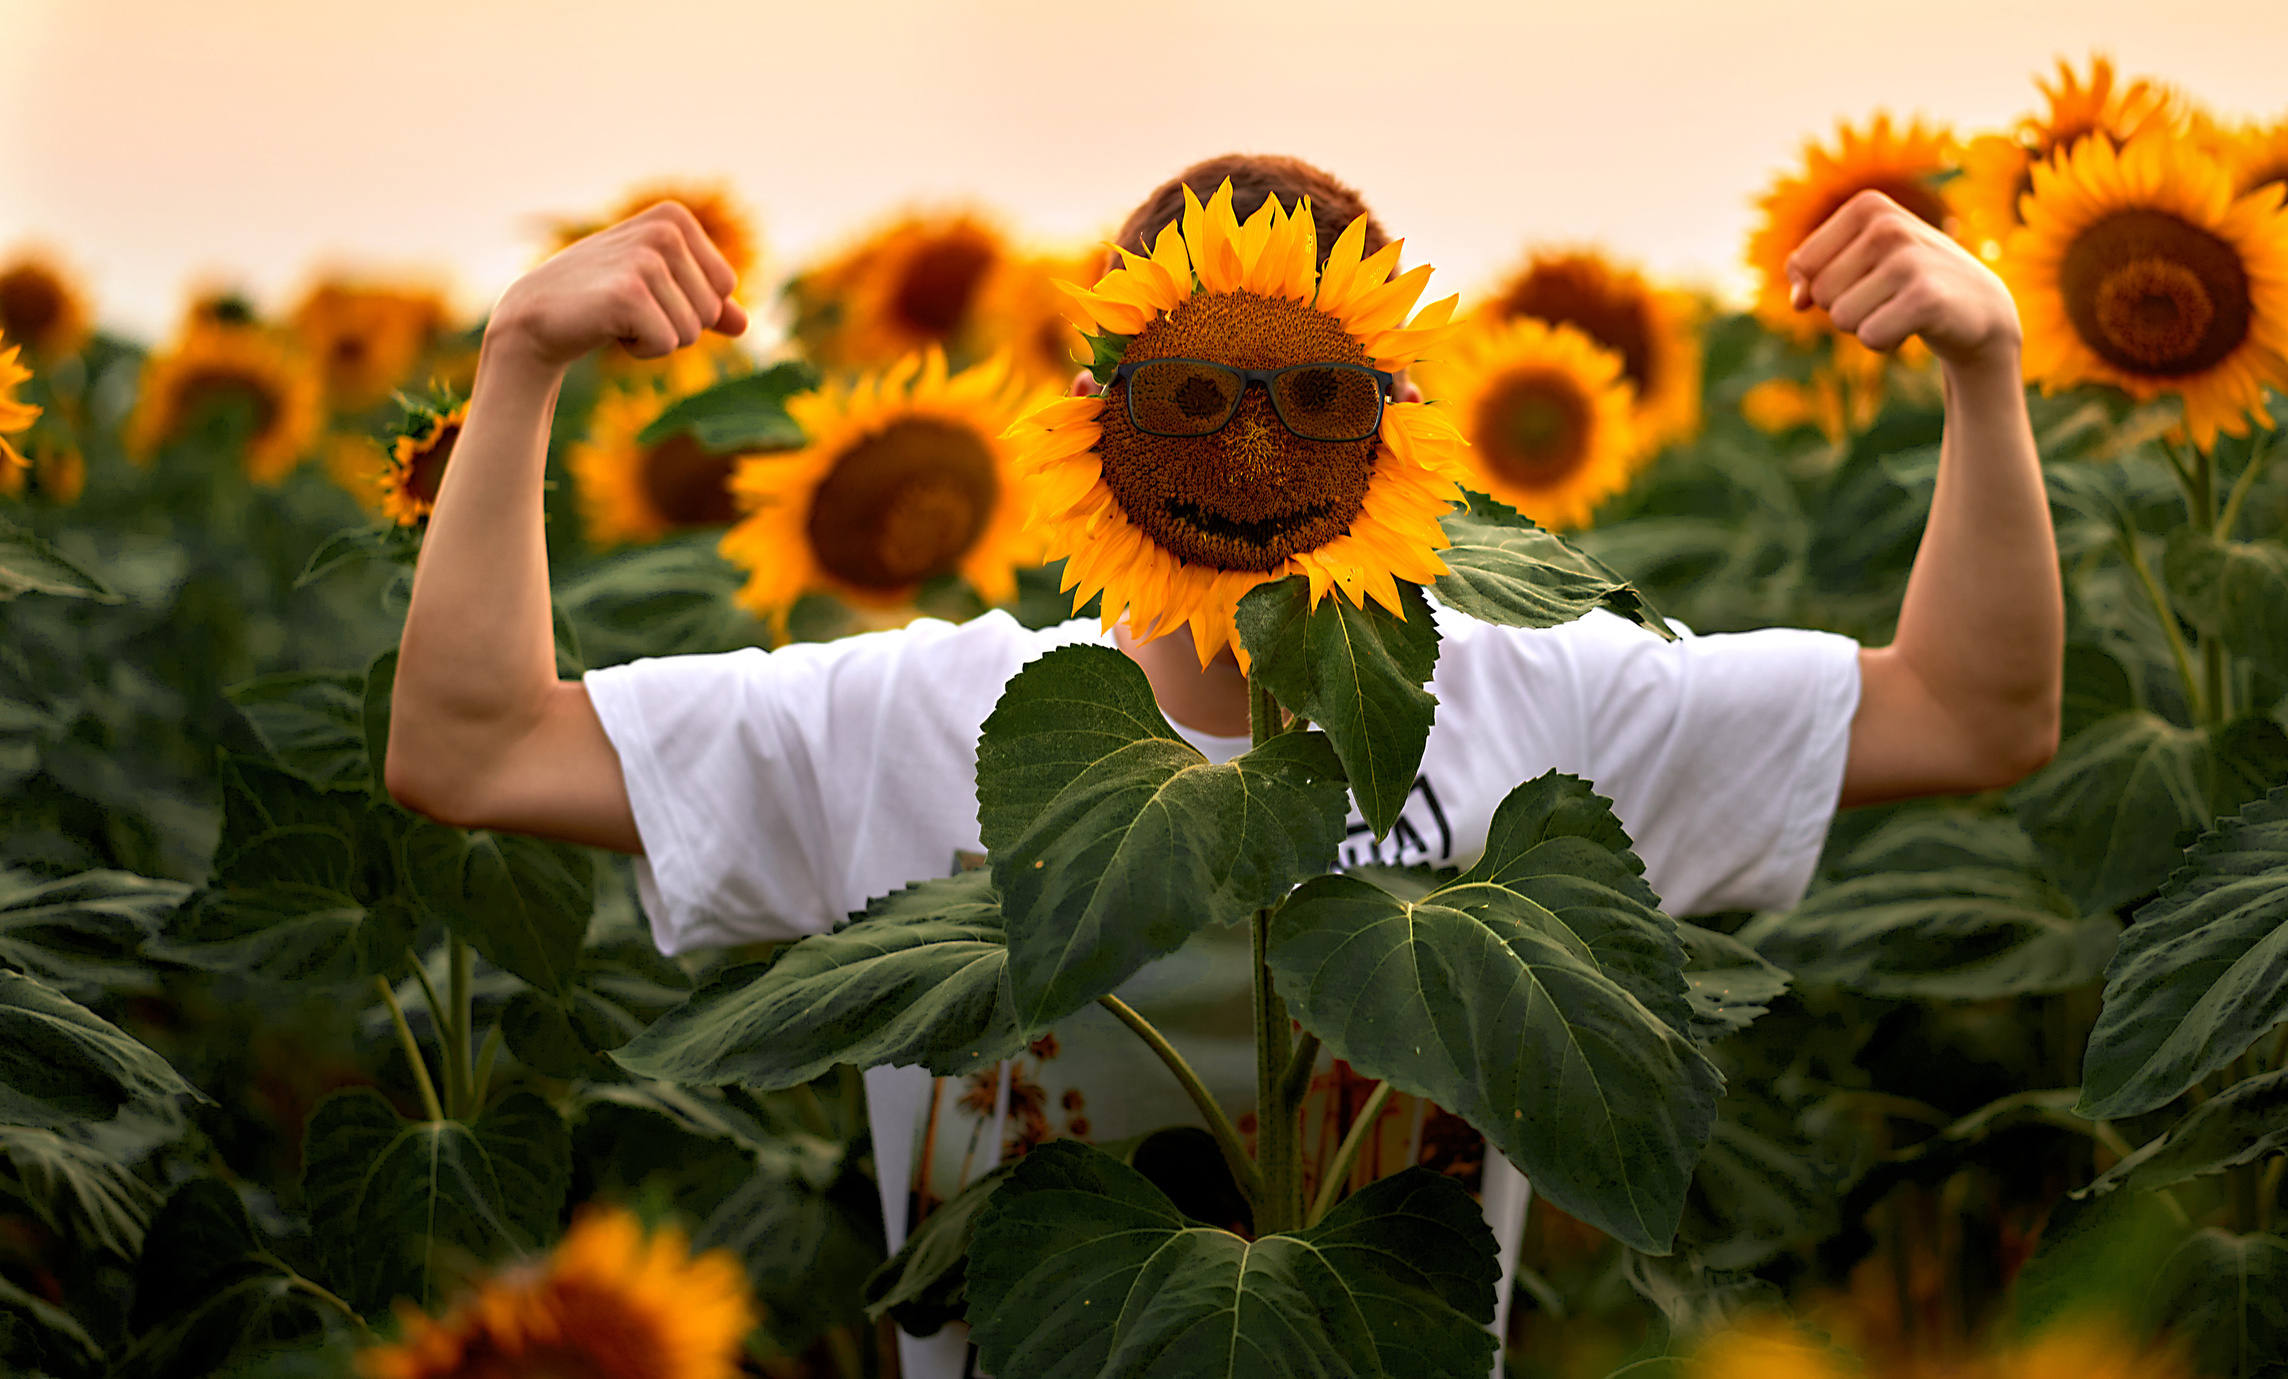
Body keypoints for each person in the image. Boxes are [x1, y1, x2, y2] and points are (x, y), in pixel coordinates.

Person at [386, 154, 2061, 1377]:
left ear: (1403, 421)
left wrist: (1989, 374)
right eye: (1193, 392)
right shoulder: (924, 722)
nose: (1256, 440)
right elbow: (472, 750)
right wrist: (520, 361)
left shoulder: (1532, 701)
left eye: (1323, 396)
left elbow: (1972, 715)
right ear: (1099, 417)